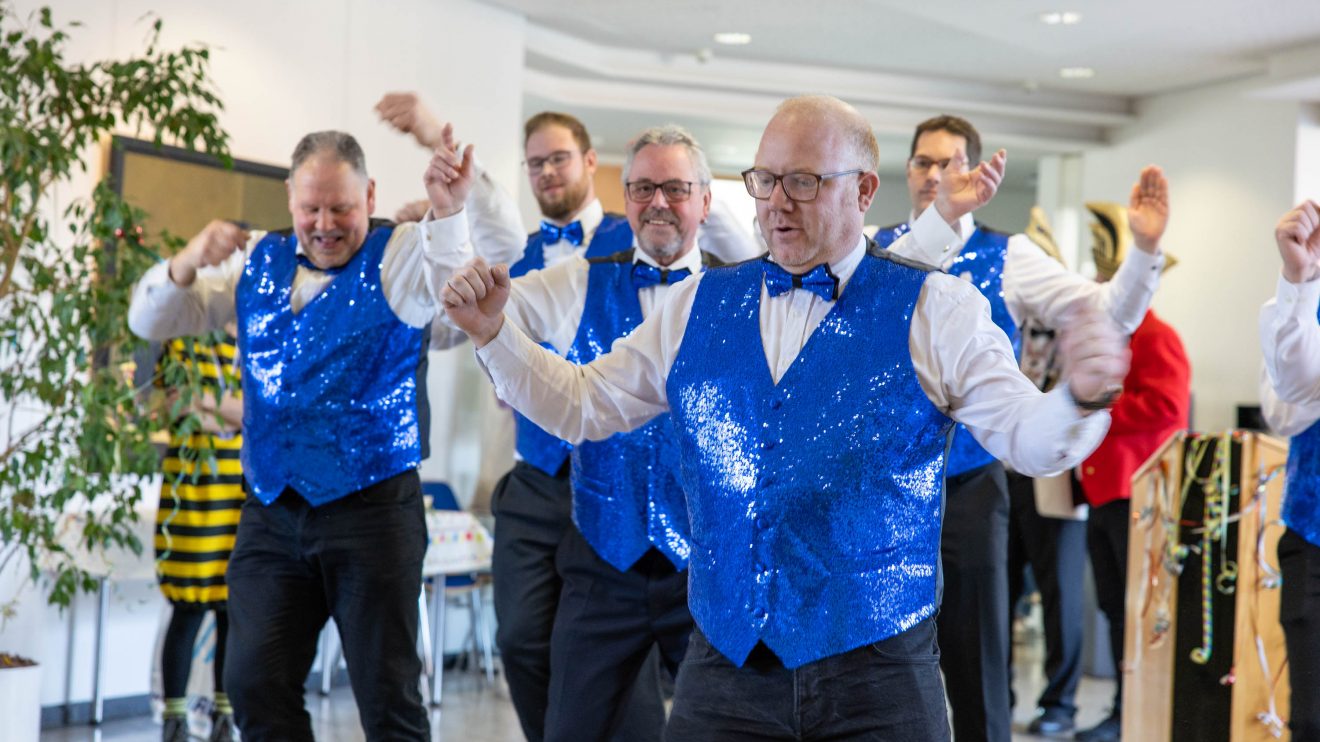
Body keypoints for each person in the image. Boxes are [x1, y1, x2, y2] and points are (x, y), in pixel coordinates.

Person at [440, 94, 1130, 740]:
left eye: (803, 181)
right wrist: (493, 335)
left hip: (880, 674)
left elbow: (1030, 441)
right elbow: (583, 403)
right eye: (765, 181)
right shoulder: (696, 305)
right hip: (725, 668)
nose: (776, 203)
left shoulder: (937, 309)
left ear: (863, 190)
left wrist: (1081, 397)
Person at [127, 129, 502, 741]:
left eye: (342, 208)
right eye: (311, 208)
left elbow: (453, 288)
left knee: (388, 699)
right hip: (272, 510)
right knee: (252, 684)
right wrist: (189, 258)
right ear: (290, 200)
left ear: (370, 195)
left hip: (374, 510)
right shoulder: (256, 260)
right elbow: (151, 318)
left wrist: (451, 209)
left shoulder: (402, 253)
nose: (324, 224)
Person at [376, 92, 668, 741]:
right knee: (521, 638)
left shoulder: (642, 238)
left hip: (623, 472)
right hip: (537, 472)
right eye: (534, 163)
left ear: (591, 161)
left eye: (559, 159)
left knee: (625, 650)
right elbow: (460, 311)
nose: (547, 174)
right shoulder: (519, 249)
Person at [873, 114, 1170, 741]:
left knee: (979, 655)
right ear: (908, 172)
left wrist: (1143, 254)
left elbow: (1104, 314)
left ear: (974, 171)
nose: (934, 175)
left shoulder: (1009, 255)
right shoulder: (877, 248)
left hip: (971, 484)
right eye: (923, 163)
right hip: (880, 489)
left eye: (949, 163)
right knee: (873, 663)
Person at [428, 123, 718, 740]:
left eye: (675, 187)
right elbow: (473, 311)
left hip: (706, 555)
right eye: (642, 188)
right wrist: (450, 223)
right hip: (602, 548)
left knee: (721, 725)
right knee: (570, 724)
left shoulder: (742, 291)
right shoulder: (577, 279)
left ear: (705, 200)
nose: (657, 202)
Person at [1071, 201, 1190, 741]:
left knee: (1133, 610)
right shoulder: (1112, 336)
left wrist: (1101, 406)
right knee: (1112, 608)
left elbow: (1168, 406)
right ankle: (1122, 707)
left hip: (1134, 494)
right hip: (1101, 492)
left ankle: (1130, 711)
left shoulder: (1158, 336)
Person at [153, 331, 243, 742]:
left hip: (241, 495)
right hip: (192, 493)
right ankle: (174, 722)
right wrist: (230, 414)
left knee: (233, 611)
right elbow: (177, 409)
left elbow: (262, 414)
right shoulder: (186, 341)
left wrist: (206, 401)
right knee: (186, 607)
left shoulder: (261, 338)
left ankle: (223, 720)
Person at [1258, 199, 1320, 741]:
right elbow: (1287, 406)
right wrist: (1299, 285)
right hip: (1312, 534)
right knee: (1312, 715)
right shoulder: (1287, 306)